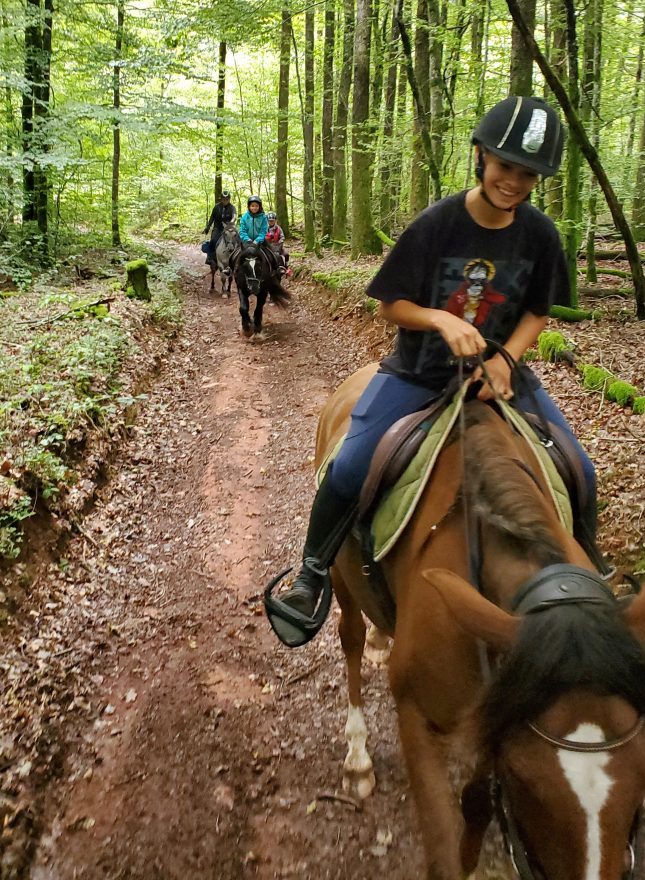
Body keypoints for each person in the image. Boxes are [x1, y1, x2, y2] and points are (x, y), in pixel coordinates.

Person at [272, 95, 601, 638]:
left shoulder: (540, 234)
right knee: (350, 465)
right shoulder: (436, 225)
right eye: (505, 166)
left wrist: (506, 360)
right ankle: (311, 575)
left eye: (528, 174)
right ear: (480, 156)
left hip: (499, 377)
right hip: (418, 374)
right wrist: (443, 321)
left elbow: (538, 311)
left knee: (580, 468)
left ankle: (591, 570)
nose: (514, 182)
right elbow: (391, 306)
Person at [203, 191, 236, 265]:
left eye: (227, 199)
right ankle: (210, 258)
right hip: (218, 228)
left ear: (229, 199)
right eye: (223, 199)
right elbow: (212, 218)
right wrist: (207, 227)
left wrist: (231, 222)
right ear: (221, 199)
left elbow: (234, 216)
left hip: (228, 228)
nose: (225, 201)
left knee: (235, 240)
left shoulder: (232, 208)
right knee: (213, 241)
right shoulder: (216, 207)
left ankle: (235, 259)